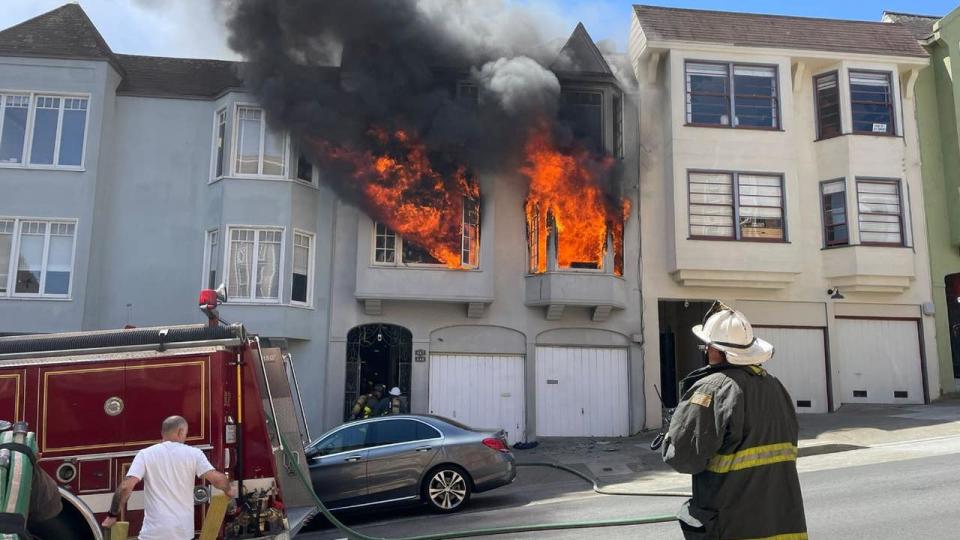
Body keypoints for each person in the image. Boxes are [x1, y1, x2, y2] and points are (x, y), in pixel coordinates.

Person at [661, 302, 807, 539]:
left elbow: (684, 459)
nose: (706, 351)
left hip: (733, 524)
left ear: (717, 350)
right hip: (783, 524)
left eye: (707, 346)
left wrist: (671, 436)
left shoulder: (711, 389)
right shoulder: (775, 386)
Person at [101, 416, 237, 540]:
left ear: (162, 433)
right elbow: (217, 480)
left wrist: (112, 515)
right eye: (186, 433)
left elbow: (125, 487)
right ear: (180, 432)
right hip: (182, 533)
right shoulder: (194, 454)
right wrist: (228, 489)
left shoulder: (145, 454)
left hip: (152, 534)